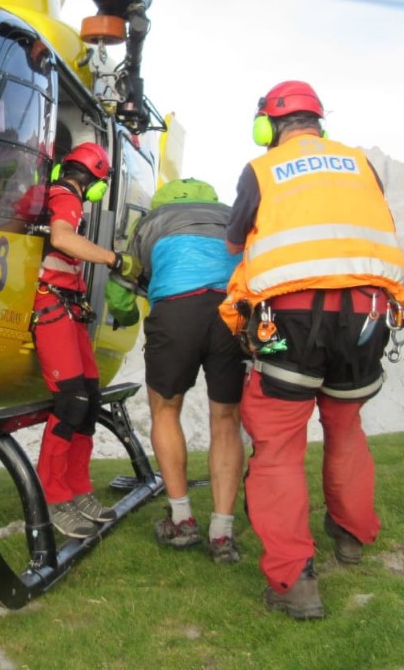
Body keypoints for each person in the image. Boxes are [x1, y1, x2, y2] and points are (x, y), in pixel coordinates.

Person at [220, 80, 404, 620]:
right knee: (346, 427)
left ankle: (293, 581)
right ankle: (351, 537)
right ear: (319, 122)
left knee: (278, 444)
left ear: (268, 126)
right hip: (368, 313)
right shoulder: (360, 164)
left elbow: (235, 242)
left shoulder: (260, 170)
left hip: (292, 317)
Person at [123, 178, 244, 561]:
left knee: (166, 409)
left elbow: (125, 284)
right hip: (231, 312)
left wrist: (125, 312)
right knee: (225, 418)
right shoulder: (229, 217)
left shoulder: (150, 222)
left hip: (175, 311)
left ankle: (181, 520)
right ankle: (222, 533)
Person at [32, 142, 141, 539]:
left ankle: (78, 490)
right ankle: (54, 496)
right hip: (52, 305)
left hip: (70, 308)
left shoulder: (61, 196)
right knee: (72, 399)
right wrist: (113, 259)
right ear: (94, 180)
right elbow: (62, 239)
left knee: (89, 399)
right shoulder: (65, 198)